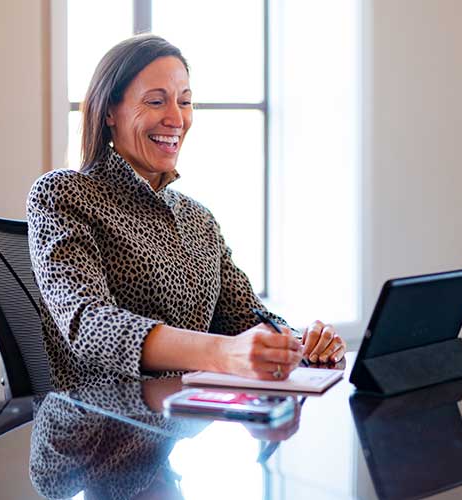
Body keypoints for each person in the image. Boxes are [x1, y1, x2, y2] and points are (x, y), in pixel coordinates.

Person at [27, 34, 345, 390]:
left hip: (185, 429)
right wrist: (222, 353)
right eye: (156, 101)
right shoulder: (64, 194)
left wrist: (300, 343)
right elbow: (88, 323)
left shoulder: (198, 219)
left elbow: (247, 320)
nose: (176, 118)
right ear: (109, 113)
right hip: (96, 428)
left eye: (185, 101)